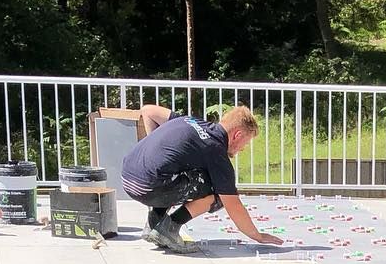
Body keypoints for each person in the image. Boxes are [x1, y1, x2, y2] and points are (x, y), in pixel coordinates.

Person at [121, 103, 283, 254]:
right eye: (245, 143)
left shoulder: (190, 120)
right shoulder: (215, 149)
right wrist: (257, 236)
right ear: (237, 135)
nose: (243, 149)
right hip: (148, 187)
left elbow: (148, 110)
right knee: (218, 192)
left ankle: (154, 224)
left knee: (177, 169)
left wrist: (155, 152)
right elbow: (233, 205)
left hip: (128, 177)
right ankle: (168, 228)